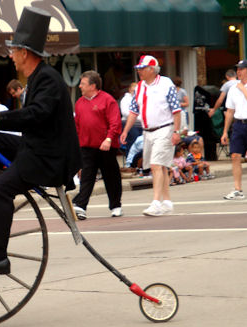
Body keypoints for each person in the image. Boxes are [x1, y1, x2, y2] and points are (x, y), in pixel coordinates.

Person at [0, 7, 81, 275]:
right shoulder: (38, 77)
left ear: (24, 53)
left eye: (13, 50)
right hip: (39, 147)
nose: (10, 55)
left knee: (2, 188)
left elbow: (37, 115)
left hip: (50, 159)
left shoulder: (48, 80)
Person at [120, 55, 182, 217]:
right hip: (148, 131)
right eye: (139, 69)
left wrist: (176, 131)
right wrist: (125, 130)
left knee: (155, 165)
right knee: (160, 166)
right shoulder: (139, 87)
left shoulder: (166, 84)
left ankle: (156, 202)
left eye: (142, 68)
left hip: (164, 129)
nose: (139, 71)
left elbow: (176, 110)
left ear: (152, 69)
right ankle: (167, 201)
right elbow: (133, 112)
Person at [71, 70, 123, 219]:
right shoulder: (79, 103)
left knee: (111, 176)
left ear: (93, 86)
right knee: (87, 177)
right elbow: (77, 126)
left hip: (106, 146)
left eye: (83, 83)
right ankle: (81, 206)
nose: (80, 86)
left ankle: (116, 205)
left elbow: (115, 122)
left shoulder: (108, 100)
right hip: (87, 147)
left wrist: (109, 139)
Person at [221, 60, 247, 200]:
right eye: (237, 69)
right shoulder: (233, 89)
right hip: (239, 124)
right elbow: (230, 110)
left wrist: (243, 89)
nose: (239, 72)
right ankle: (238, 189)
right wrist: (225, 131)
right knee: (235, 155)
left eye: (242, 69)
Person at [120, 82, 142, 152]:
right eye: (133, 91)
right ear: (129, 90)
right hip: (128, 124)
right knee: (133, 143)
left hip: (141, 125)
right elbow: (125, 112)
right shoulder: (125, 99)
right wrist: (138, 117)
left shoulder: (141, 99)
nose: (134, 93)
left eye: (136, 91)